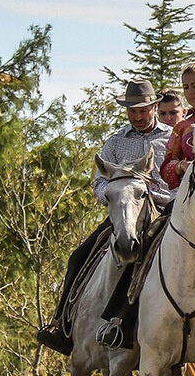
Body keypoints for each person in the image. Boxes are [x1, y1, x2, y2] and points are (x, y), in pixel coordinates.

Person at [37, 79, 174, 353]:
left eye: (142, 111)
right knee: (79, 255)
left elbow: (179, 178)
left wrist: (152, 195)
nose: (137, 116)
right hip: (122, 214)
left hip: (162, 214)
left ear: (154, 107)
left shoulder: (172, 138)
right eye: (132, 112)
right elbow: (100, 182)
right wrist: (114, 196)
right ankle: (61, 325)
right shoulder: (115, 142)